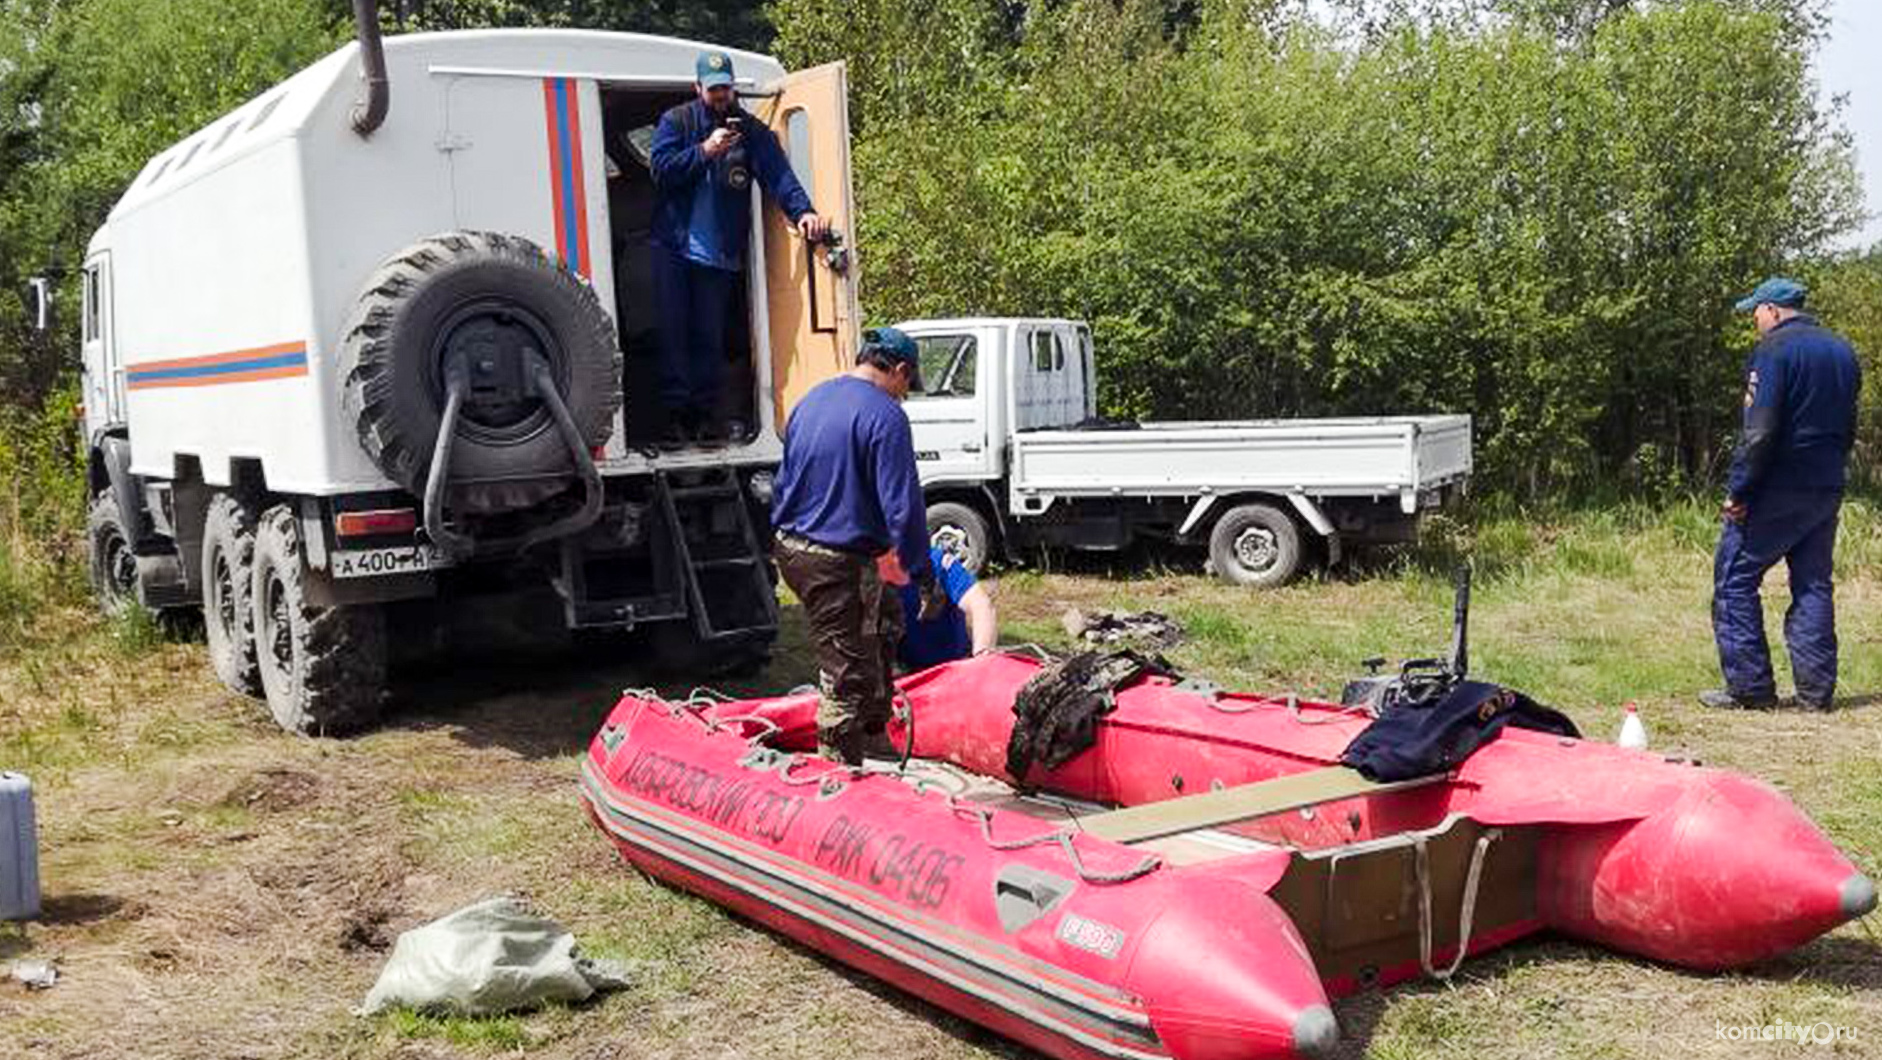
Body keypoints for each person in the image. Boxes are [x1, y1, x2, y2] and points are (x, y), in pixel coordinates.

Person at [772, 328, 948, 764]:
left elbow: (787, 478)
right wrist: (925, 577)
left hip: (797, 547)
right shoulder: (886, 417)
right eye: (908, 386)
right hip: (830, 558)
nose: (905, 396)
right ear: (900, 371)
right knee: (846, 667)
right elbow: (903, 510)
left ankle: (873, 732)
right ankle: (837, 773)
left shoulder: (810, 401)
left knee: (886, 624)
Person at [648, 50, 829, 443]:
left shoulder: (751, 132)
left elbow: (779, 177)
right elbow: (660, 171)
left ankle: (706, 417)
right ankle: (677, 419)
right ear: (698, 89)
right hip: (673, 249)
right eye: (713, 90)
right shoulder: (676, 121)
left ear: (733, 89)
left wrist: (805, 213)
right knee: (674, 333)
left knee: (709, 337)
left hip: (720, 255)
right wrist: (704, 151)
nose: (720, 96)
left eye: (725, 89)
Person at [1703, 277, 1861, 712]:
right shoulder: (1842, 351)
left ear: (1772, 310)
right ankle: (1815, 694)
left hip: (1777, 486)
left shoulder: (1773, 351)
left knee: (1734, 581)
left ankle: (1750, 689)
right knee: (1812, 585)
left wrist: (1740, 490)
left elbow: (1760, 431)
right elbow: (1848, 426)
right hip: (1826, 483)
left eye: (1755, 310)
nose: (1754, 319)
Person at [898, 546, 999, 671]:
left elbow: (980, 604)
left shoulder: (938, 561)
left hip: (956, 667)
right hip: (909, 674)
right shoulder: (872, 573)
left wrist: (982, 659)